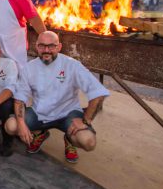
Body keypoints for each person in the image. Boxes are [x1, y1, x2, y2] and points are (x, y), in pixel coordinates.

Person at [14, 31, 109, 164]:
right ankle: (40, 132)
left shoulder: (72, 65)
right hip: (40, 114)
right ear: (36, 46)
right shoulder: (29, 68)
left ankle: (69, 140)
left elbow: (99, 93)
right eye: (42, 46)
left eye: (51, 46)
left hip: (68, 114)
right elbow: (19, 98)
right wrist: (21, 123)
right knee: (11, 126)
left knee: (89, 142)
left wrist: (86, 120)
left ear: (59, 47)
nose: (46, 50)